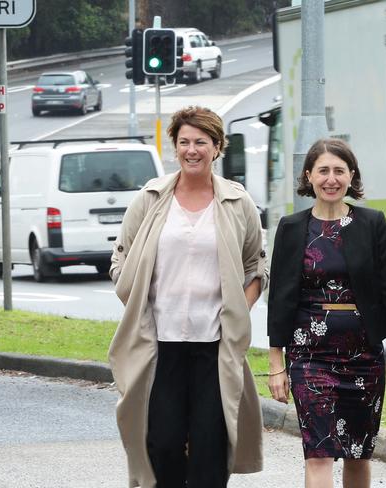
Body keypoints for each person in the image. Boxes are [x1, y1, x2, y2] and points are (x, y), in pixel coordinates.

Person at [108, 105, 267, 488]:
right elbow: (121, 259)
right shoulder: (150, 198)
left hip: (214, 347)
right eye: (184, 142)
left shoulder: (237, 202)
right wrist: (133, 302)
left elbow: (257, 268)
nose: (191, 150)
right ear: (175, 147)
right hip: (159, 346)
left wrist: (238, 313)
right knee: (161, 444)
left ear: (217, 147)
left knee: (211, 446)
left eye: (201, 142)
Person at [267, 138, 386, 488]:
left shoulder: (372, 224)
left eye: (339, 171)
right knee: (319, 453)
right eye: (323, 171)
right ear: (309, 176)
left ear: (351, 176)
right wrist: (276, 364)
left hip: (364, 356)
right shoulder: (291, 227)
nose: (331, 179)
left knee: (357, 454)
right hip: (309, 355)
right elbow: (280, 299)